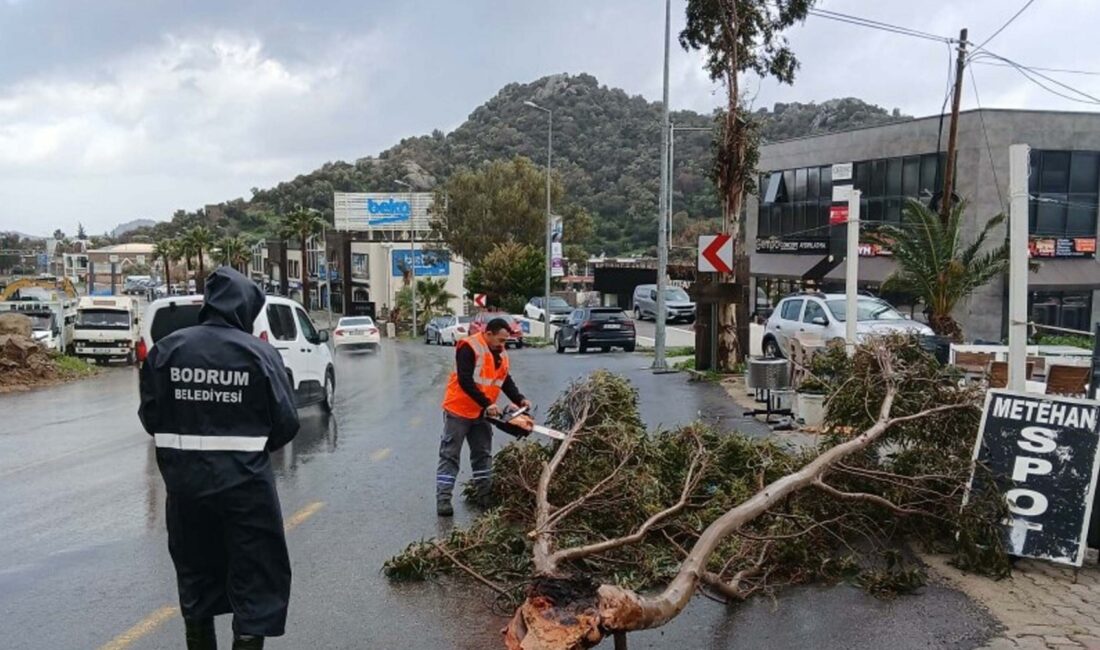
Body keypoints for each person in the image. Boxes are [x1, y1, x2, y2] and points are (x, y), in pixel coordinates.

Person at [138, 267, 300, 650]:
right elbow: (287, 422)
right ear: (245, 307)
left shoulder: (167, 350)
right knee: (256, 577)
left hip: (186, 489)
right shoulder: (259, 353)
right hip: (247, 490)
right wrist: (246, 447)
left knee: (196, 577)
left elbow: (150, 417)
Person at [437, 317, 529, 516]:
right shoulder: (469, 347)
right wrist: (488, 403)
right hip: (459, 411)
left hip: (482, 414)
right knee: (450, 455)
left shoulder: (500, 353)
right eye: (501, 340)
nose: (503, 344)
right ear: (488, 334)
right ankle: (443, 500)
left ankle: (484, 497)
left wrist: (519, 399)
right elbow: (465, 380)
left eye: (505, 341)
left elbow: (504, 380)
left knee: (482, 455)